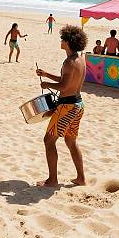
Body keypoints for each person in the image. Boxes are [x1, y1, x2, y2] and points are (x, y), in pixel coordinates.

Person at [36, 25, 87, 187]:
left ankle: (52, 180)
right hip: (78, 104)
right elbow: (67, 79)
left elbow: (64, 86)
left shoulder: (69, 62)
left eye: (62, 39)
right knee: (71, 142)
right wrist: (46, 74)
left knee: (48, 141)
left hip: (67, 107)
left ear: (68, 41)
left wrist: (47, 84)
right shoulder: (79, 60)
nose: (61, 41)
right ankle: (81, 178)